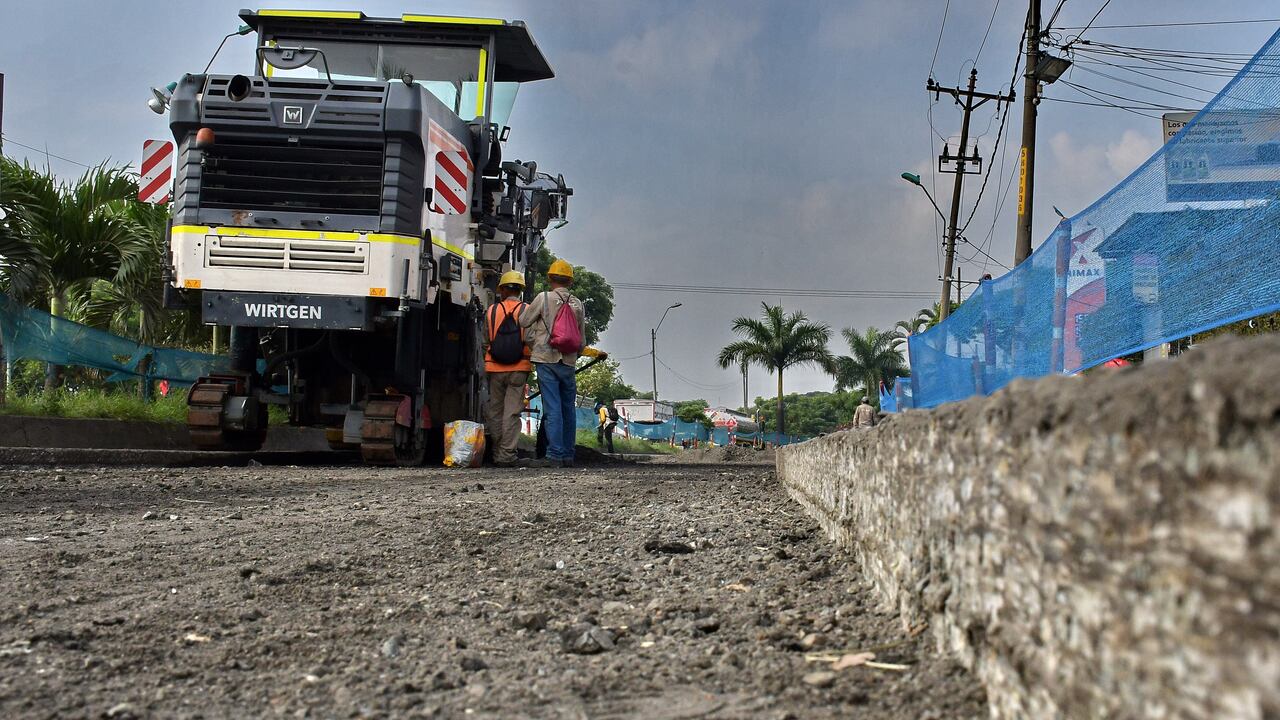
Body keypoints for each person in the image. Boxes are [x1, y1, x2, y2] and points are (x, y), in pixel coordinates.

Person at [520, 259, 590, 467]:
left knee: (553, 408)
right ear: (570, 281)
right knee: (568, 408)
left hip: (546, 358)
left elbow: (524, 321)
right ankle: (568, 455)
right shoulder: (578, 303)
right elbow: (582, 341)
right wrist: (572, 356)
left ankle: (555, 455)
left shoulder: (543, 298)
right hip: (568, 362)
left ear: (550, 278)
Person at [483, 270, 533, 467]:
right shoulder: (527, 310)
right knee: (512, 412)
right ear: (520, 290)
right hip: (519, 367)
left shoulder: (491, 311)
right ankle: (506, 455)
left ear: (502, 290)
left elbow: (485, 341)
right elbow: (530, 338)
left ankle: (497, 451)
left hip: (495, 369)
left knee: (495, 410)